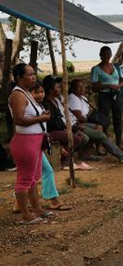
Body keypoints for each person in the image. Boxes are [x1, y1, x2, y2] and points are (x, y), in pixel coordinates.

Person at [8, 63, 50, 224]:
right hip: (25, 142)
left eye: (34, 74)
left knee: (33, 178)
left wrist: (41, 114)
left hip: (35, 141)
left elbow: (30, 114)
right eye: (30, 75)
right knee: (24, 179)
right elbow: (19, 119)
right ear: (19, 78)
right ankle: (25, 215)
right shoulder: (17, 95)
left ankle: (37, 209)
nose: (34, 77)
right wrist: (42, 118)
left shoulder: (25, 93)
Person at [68, 79, 123, 163]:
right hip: (77, 124)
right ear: (73, 89)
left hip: (83, 122)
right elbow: (80, 118)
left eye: (83, 86)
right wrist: (91, 119)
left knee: (100, 127)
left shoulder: (82, 97)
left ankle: (93, 151)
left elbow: (87, 112)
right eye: (78, 87)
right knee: (99, 133)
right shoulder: (73, 98)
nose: (82, 88)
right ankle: (119, 153)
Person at [29, 82, 70, 212]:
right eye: (36, 92)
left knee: (32, 175)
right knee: (40, 173)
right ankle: (53, 200)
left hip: (36, 144)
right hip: (30, 144)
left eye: (42, 92)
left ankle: (19, 202)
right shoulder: (29, 108)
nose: (40, 95)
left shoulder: (38, 106)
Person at [41, 76, 91, 170]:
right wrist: (64, 129)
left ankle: (67, 158)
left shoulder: (56, 101)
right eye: (57, 87)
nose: (60, 89)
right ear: (51, 90)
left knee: (79, 137)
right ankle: (65, 161)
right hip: (50, 132)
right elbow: (51, 123)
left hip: (59, 129)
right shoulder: (47, 103)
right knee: (75, 138)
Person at [91, 46, 123, 150]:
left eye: (108, 54)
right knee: (104, 120)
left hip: (116, 94)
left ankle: (119, 143)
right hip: (104, 96)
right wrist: (108, 86)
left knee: (118, 119)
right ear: (100, 55)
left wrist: (118, 86)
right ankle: (104, 144)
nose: (106, 56)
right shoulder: (96, 69)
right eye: (104, 54)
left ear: (111, 54)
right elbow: (94, 87)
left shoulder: (116, 66)